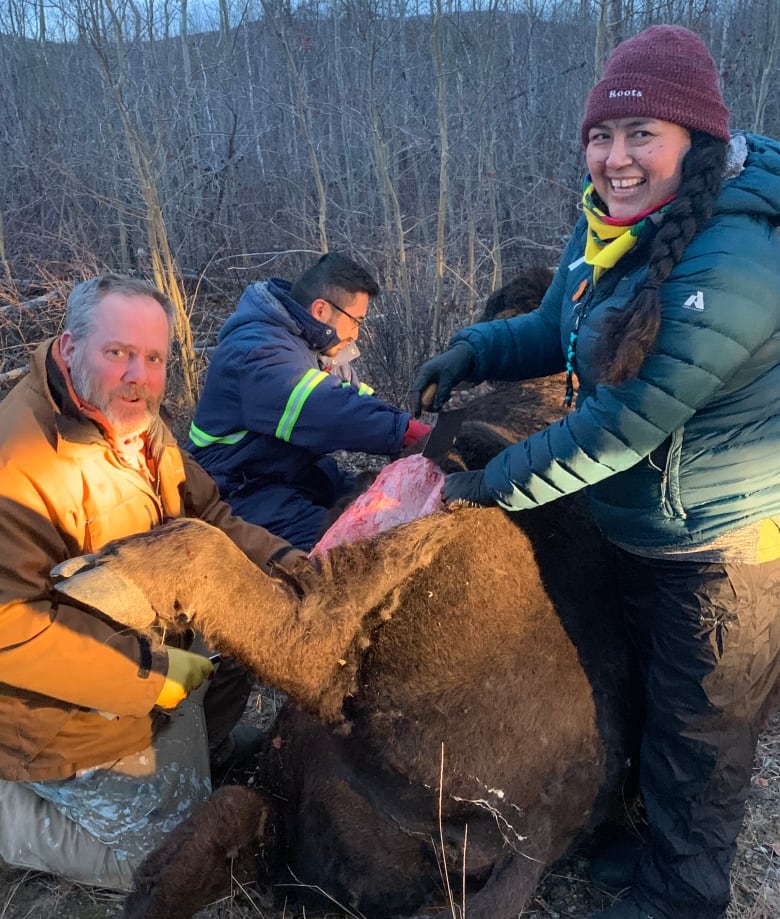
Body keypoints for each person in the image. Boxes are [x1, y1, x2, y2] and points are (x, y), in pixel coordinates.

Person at [411, 25, 780, 919]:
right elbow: (559, 329)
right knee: (644, 700)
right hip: (639, 527)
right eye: (601, 136)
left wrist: (483, 488)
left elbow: (619, 427)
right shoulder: (610, 224)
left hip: (717, 548)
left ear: (697, 140)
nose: (615, 158)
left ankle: (682, 894)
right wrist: (475, 351)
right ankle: (640, 843)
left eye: (641, 134)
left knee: (701, 737)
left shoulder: (736, 262)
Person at [0, 273, 315, 890]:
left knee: (248, 616)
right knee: (170, 862)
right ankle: (11, 812)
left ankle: (205, 746)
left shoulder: (138, 424)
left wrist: (289, 564)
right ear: (69, 348)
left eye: (153, 358)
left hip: (147, 652)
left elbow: (207, 519)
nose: (137, 374)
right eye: (117, 352)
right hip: (59, 712)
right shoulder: (20, 465)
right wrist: (147, 676)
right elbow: (11, 629)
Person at [187, 252, 430, 551]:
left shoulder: (316, 346)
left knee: (379, 506)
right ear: (320, 311)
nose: (355, 334)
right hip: (238, 487)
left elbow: (355, 399)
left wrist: (412, 435)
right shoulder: (256, 350)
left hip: (290, 474)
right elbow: (323, 409)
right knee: (344, 549)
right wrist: (402, 432)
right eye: (356, 322)